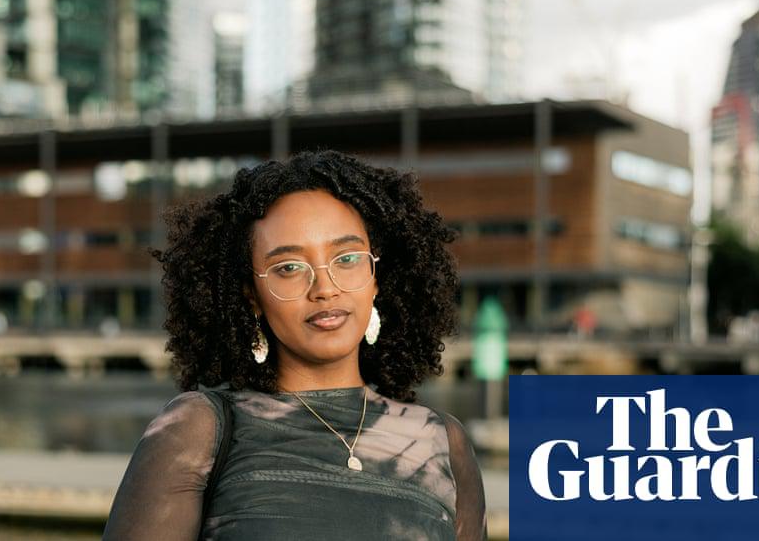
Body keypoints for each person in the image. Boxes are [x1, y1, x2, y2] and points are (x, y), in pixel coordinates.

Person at [103, 149, 487, 540]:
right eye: (288, 268)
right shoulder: (199, 431)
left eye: (347, 258)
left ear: (376, 277)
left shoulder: (443, 442)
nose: (325, 288)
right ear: (251, 294)